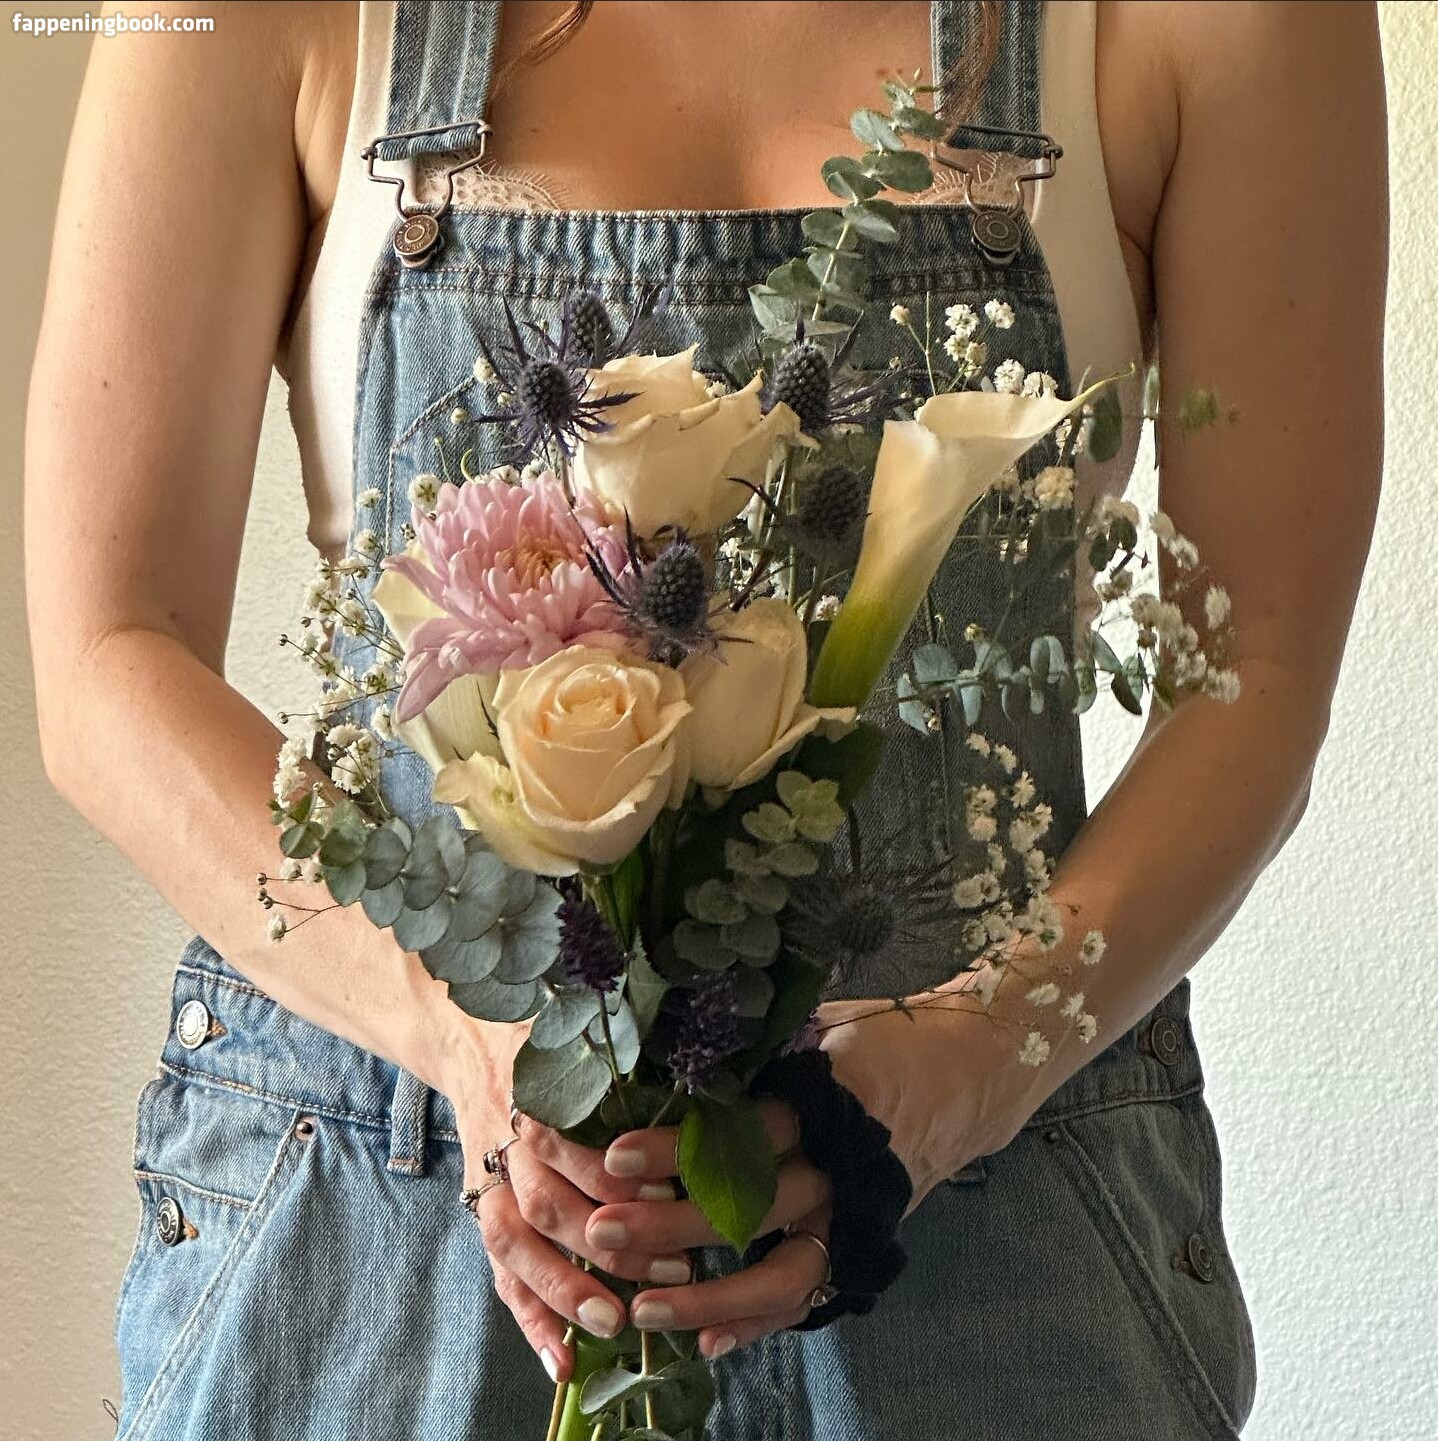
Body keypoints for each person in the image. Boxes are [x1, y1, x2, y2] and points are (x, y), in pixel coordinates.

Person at [25, 2, 1386, 1438]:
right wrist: (457, 1033)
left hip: (991, 1229)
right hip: (385, 1234)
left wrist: (963, 1064)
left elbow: (1257, 666)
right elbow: (109, 655)